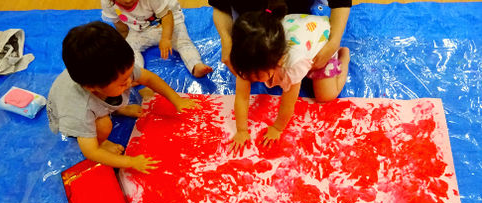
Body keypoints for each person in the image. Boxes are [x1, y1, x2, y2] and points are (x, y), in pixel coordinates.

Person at [47, 21, 197, 174]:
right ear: (92, 88)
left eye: (130, 73)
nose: (131, 81)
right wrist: (130, 161)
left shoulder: (117, 69)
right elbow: (90, 152)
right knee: (104, 125)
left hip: (101, 94)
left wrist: (176, 99)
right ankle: (103, 142)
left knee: (125, 85)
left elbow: (149, 78)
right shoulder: (79, 110)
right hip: (71, 116)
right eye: (123, 82)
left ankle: (118, 108)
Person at [228, 3, 350, 154]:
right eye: (246, 74)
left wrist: (277, 128)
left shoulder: (293, 64)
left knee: (326, 95)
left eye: (257, 76)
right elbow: (241, 97)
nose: (249, 79)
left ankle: (344, 57)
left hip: (320, 40)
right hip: (299, 29)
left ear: (278, 62)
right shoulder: (248, 55)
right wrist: (241, 130)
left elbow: (288, 103)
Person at [208, 0, 351, 75]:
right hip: (255, 22)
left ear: (281, 61)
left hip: (305, 27)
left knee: (325, 92)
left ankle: (345, 56)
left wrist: (333, 42)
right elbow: (220, 7)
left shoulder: (294, 65)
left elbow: (341, 3)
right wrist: (226, 40)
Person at [101, 0, 213, 78]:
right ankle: (135, 74)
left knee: (183, 43)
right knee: (130, 49)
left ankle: (196, 65)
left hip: (168, 22)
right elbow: (120, 25)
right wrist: (124, 43)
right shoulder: (108, 3)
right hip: (140, 28)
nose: (128, 1)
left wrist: (166, 38)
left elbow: (167, 15)